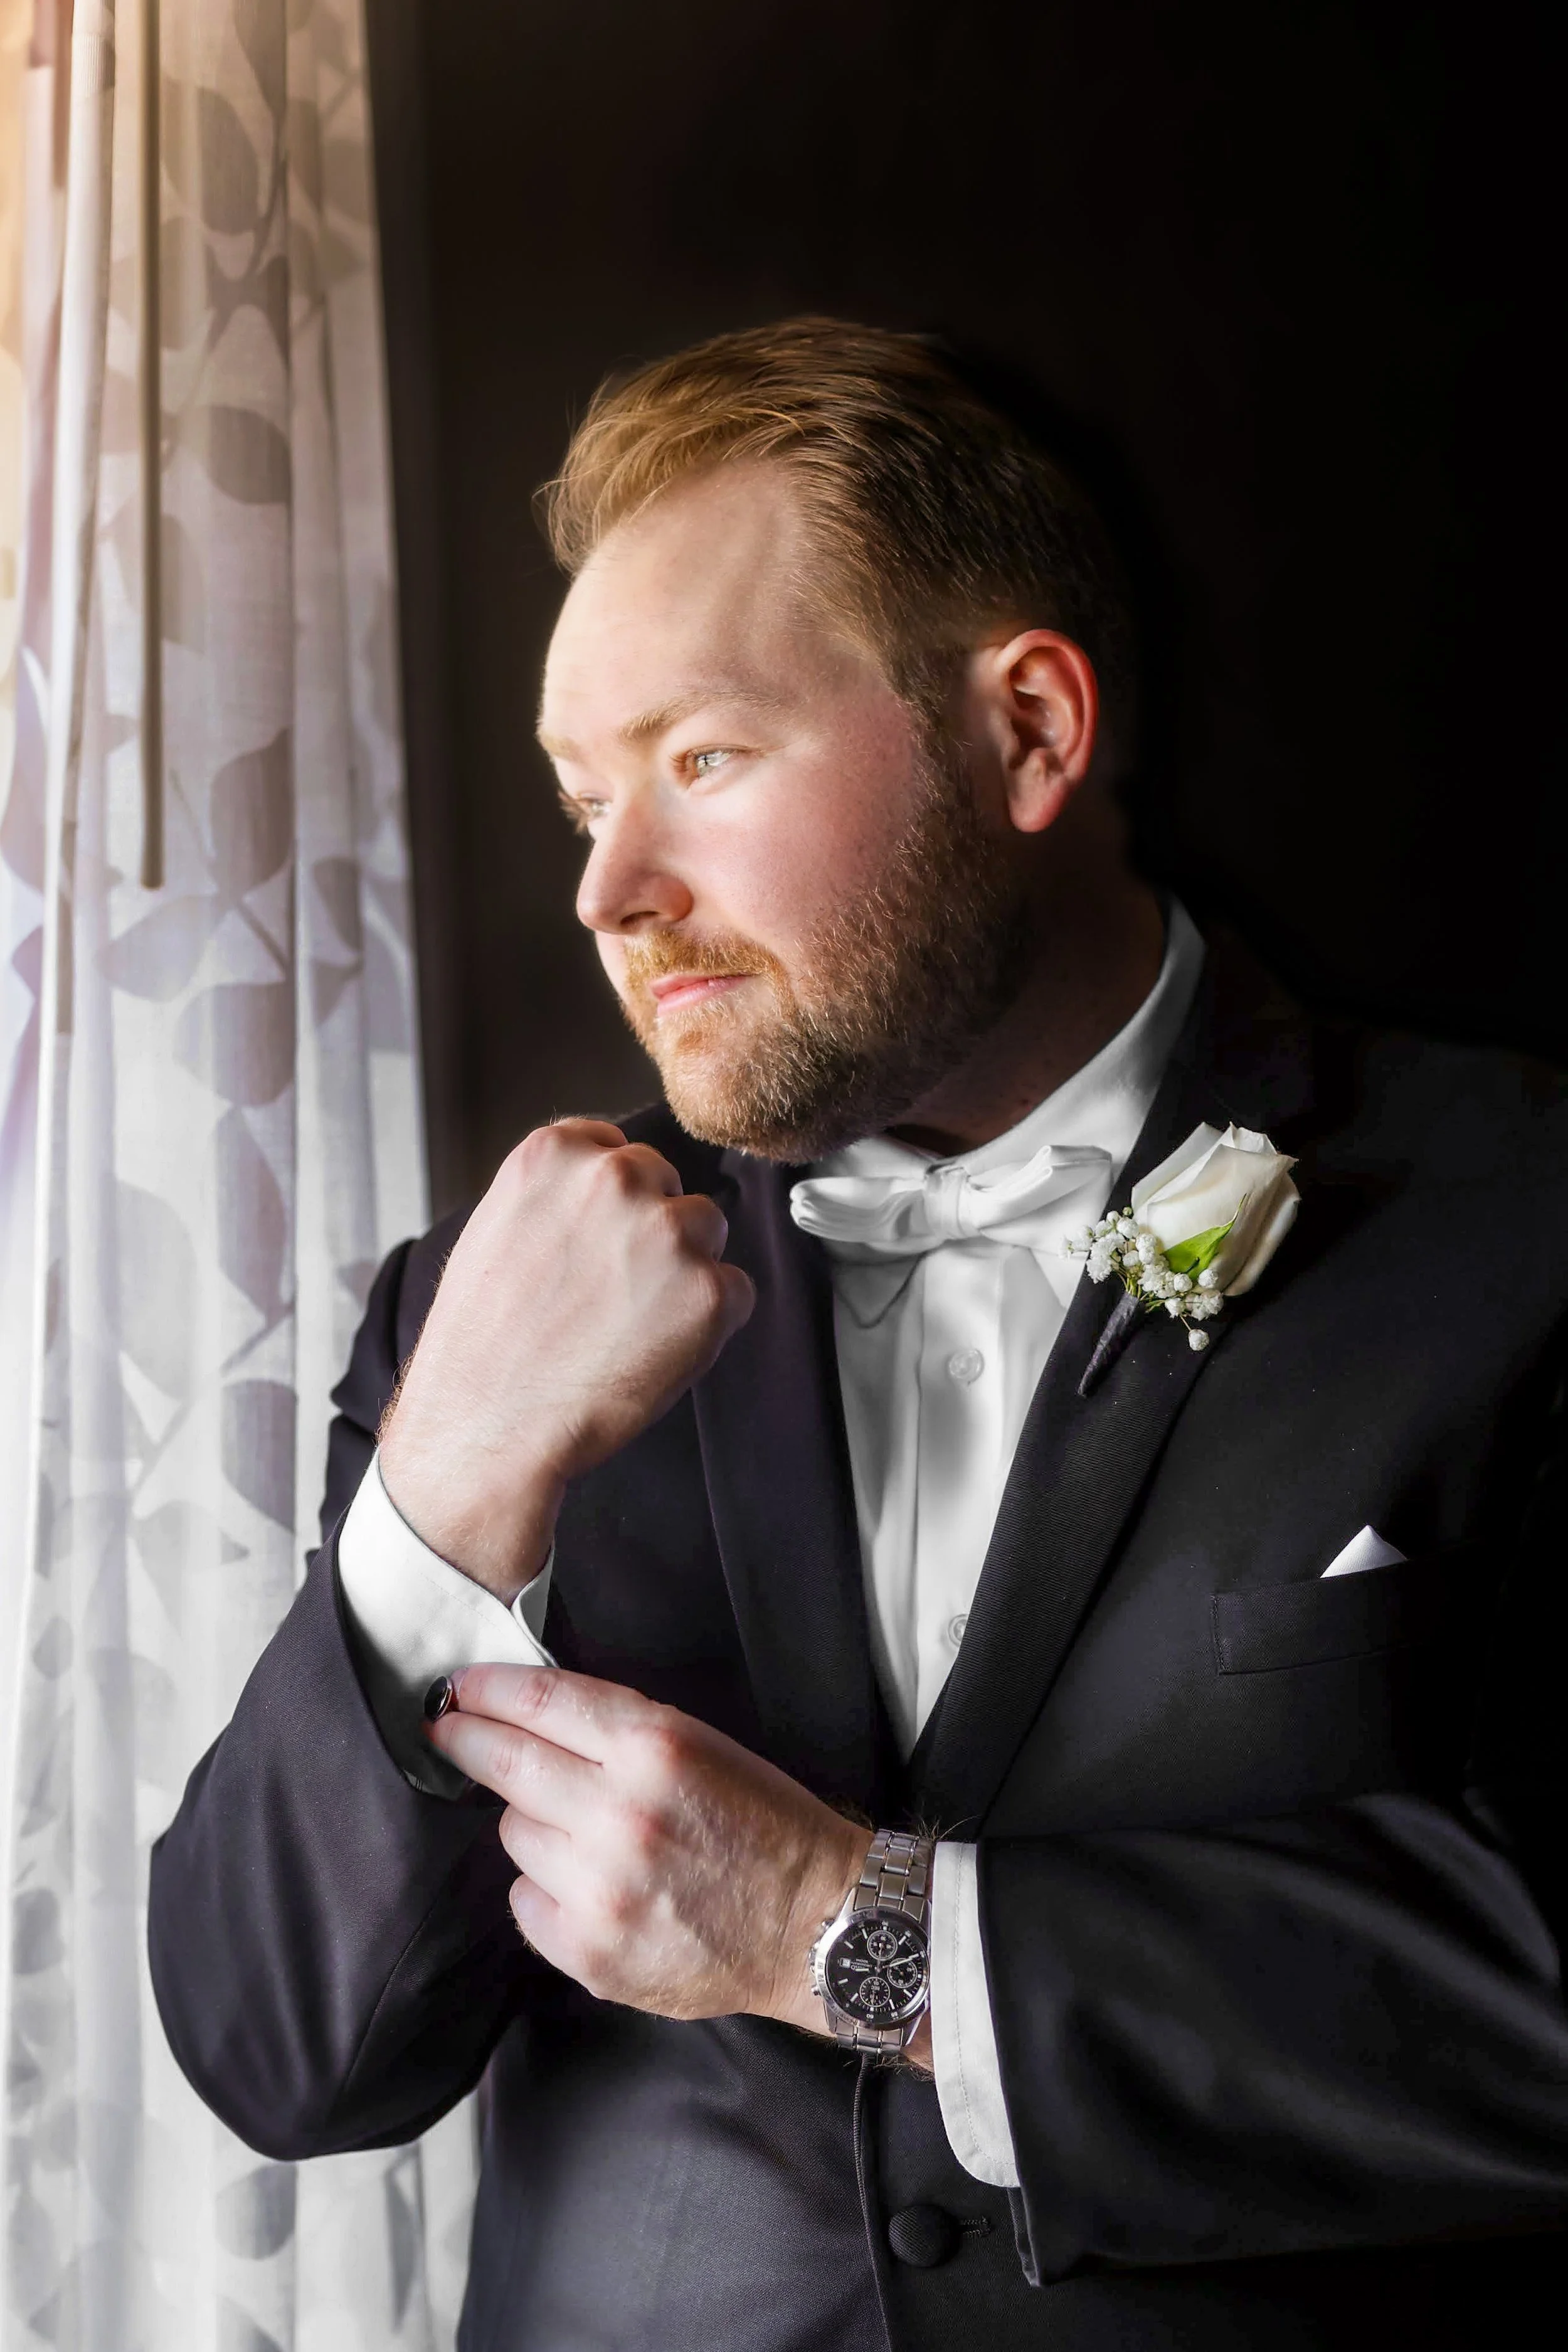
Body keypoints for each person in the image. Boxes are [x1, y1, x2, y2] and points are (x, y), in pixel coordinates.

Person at [149, 320, 1568, 2350]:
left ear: (1026, 732)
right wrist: (447, 1484)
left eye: (700, 758)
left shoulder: (1515, 1218)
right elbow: (282, 2050)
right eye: (578, 798)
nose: (610, 888)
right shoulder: (482, 1306)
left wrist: (850, 1935)